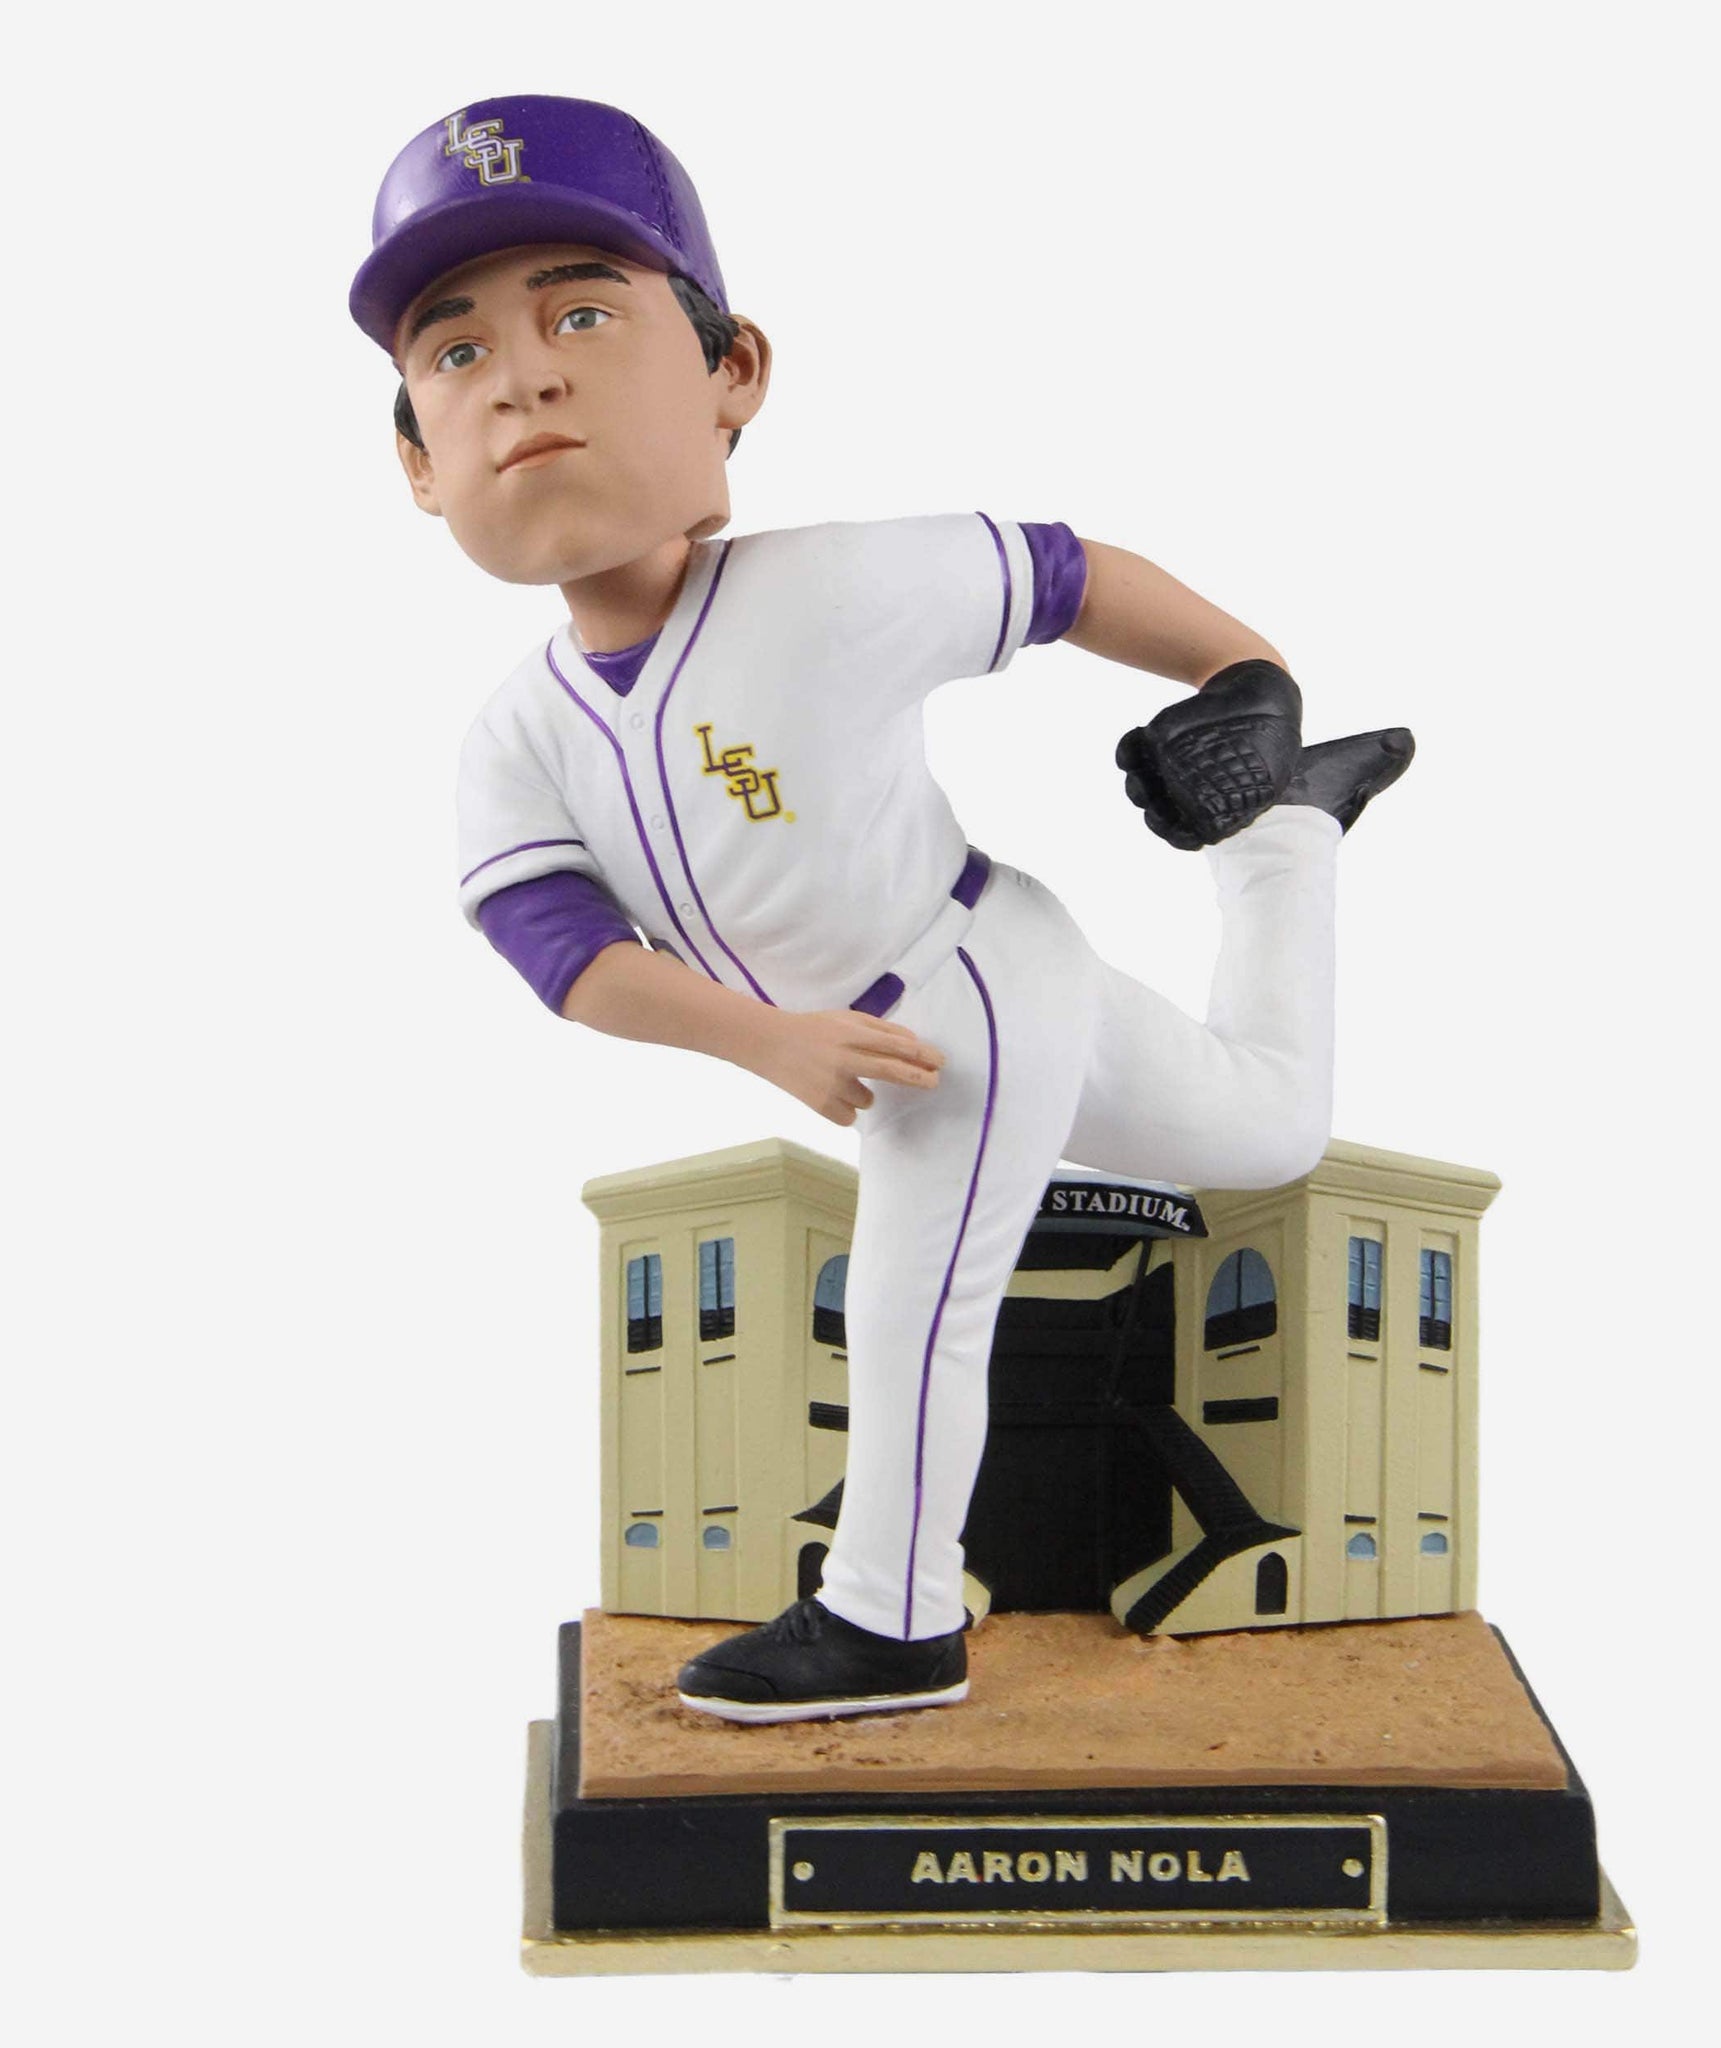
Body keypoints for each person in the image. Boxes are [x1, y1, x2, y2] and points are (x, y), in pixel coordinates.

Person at [352, 95, 1412, 1724]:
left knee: (914, 1295)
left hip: (955, 994)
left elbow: (1065, 574)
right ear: (421, 466)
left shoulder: (824, 587)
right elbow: (560, 954)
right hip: (902, 1008)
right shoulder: (514, 735)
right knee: (1266, 1131)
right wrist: (762, 1042)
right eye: (456, 350)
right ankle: (1290, 842)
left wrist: (1246, 672)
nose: (525, 378)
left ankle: (892, 1620)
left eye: (583, 316)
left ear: (733, 373)